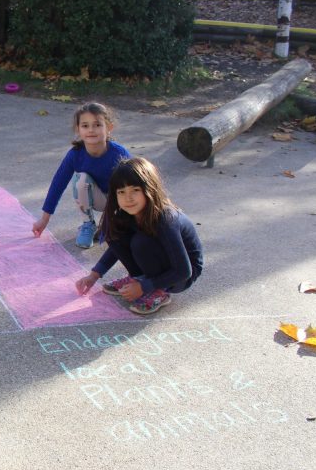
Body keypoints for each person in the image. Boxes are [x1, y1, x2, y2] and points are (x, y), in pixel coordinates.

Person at [75, 157, 203, 315]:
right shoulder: (126, 213)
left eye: (135, 190)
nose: (128, 198)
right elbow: (116, 247)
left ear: (149, 189)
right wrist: (94, 275)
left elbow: (184, 271)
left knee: (141, 242)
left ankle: (160, 290)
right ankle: (139, 277)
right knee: (114, 233)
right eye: (121, 192)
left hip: (181, 277)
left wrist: (145, 287)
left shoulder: (165, 219)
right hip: (163, 260)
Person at [31, 102, 130, 249]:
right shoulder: (75, 155)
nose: (91, 130)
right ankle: (88, 224)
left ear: (109, 128)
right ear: (78, 129)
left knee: (120, 235)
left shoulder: (119, 153)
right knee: (81, 178)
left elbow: (136, 184)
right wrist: (44, 220)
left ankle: (112, 222)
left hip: (118, 201)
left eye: (97, 125)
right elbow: (58, 184)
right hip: (95, 198)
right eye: (85, 126)